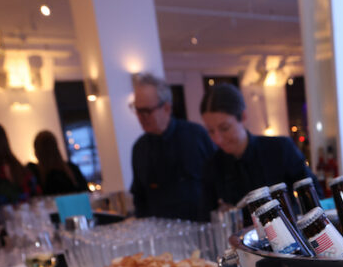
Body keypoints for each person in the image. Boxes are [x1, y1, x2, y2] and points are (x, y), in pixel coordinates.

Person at [200, 83, 319, 210]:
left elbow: (314, 196)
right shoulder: (213, 166)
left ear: (243, 116)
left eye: (225, 128)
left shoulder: (279, 149)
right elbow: (206, 215)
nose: (217, 139)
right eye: (210, 131)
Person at [129, 72, 215, 221]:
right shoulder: (139, 148)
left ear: (167, 108)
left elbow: (216, 181)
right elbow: (139, 197)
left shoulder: (195, 136)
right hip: (160, 232)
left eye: (147, 111)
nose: (141, 117)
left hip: (201, 226)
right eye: (137, 110)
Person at [28, 130, 88, 195]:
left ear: (36, 151)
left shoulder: (34, 174)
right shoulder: (72, 169)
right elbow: (85, 193)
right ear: (56, 148)